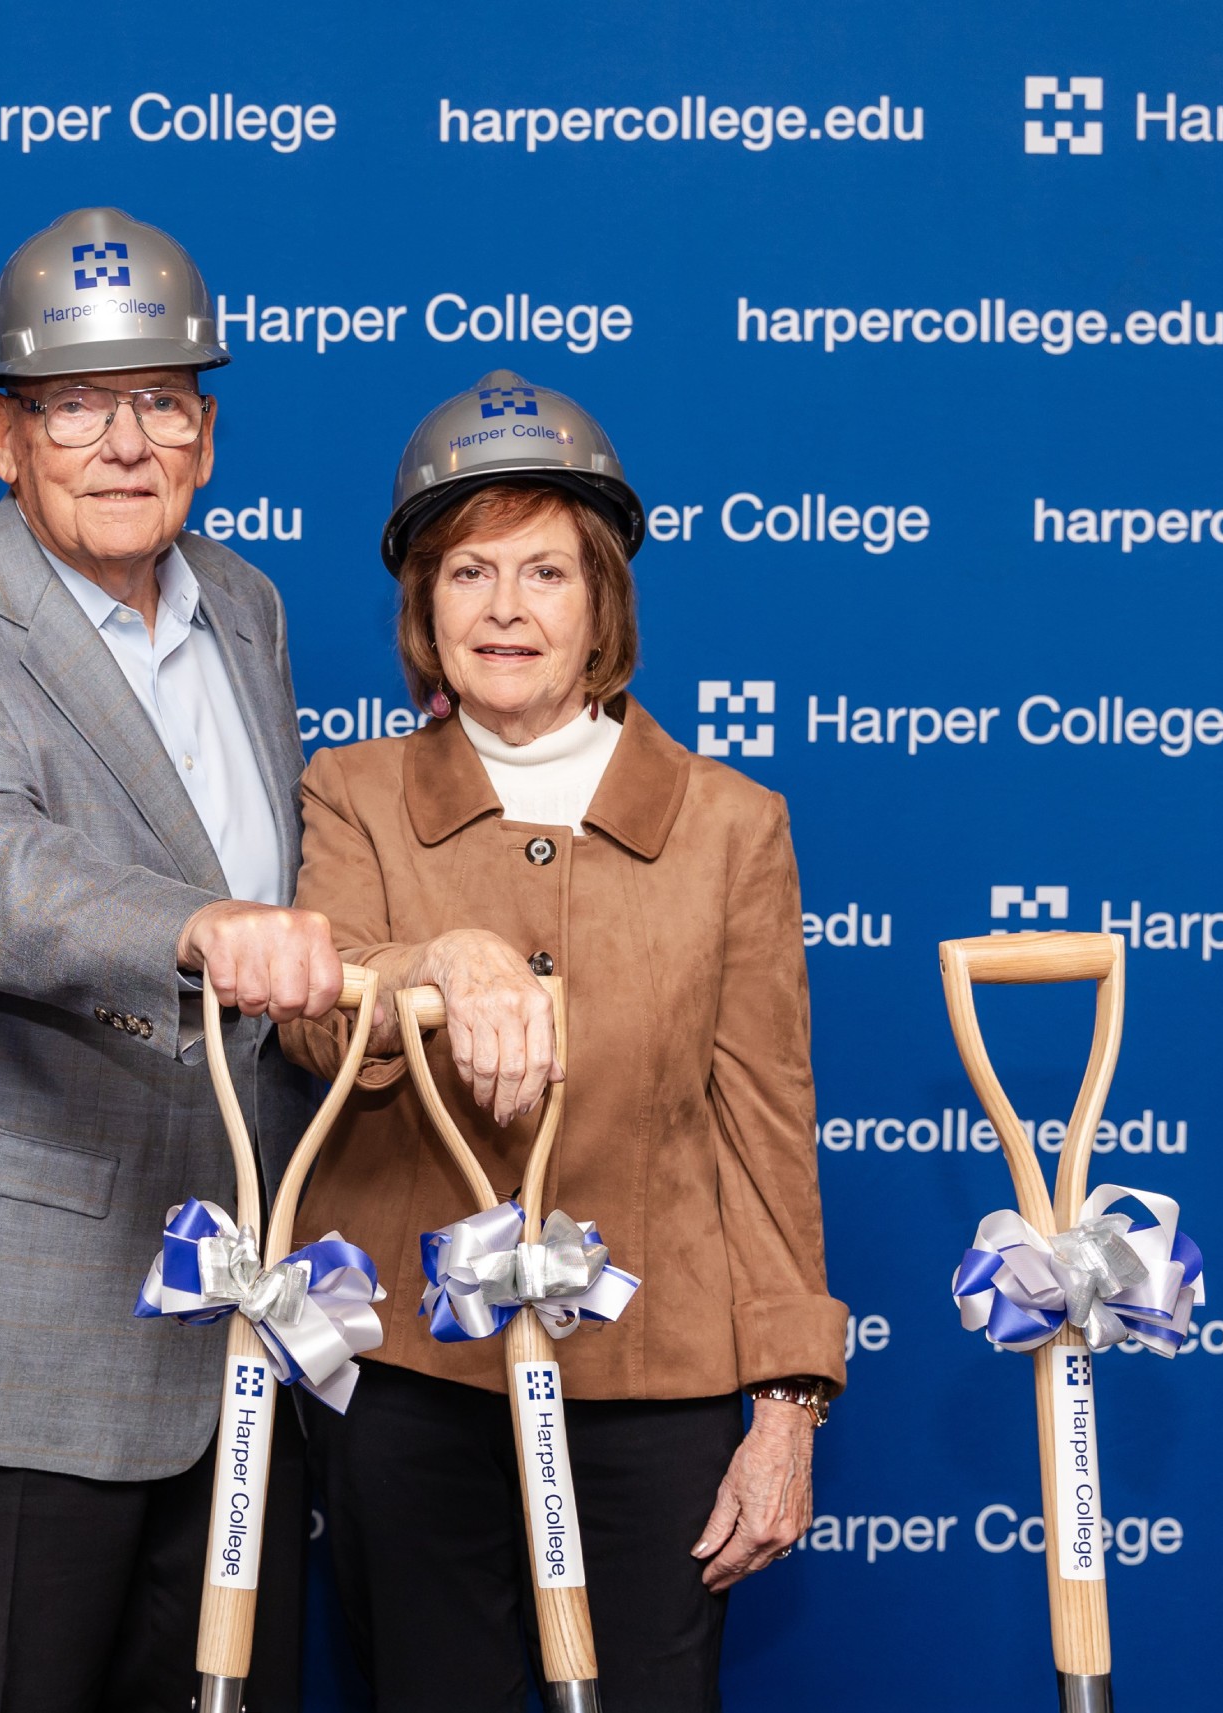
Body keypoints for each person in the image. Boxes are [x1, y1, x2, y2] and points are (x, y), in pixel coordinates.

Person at [0, 207, 345, 1713]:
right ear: (6, 435)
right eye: (75, 406)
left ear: (207, 427)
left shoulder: (246, 609)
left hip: (229, 1327)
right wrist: (199, 927)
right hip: (7, 1335)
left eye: (161, 399)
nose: (125, 441)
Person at [281, 371, 845, 1713]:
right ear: (422, 610)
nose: (505, 607)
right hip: (412, 1380)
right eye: (466, 571)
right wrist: (434, 964)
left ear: (604, 604)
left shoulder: (731, 824)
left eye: (546, 570)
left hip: (660, 1388)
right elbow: (314, 1015)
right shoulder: (350, 791)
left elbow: (765, 1124)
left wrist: (786, 1404)